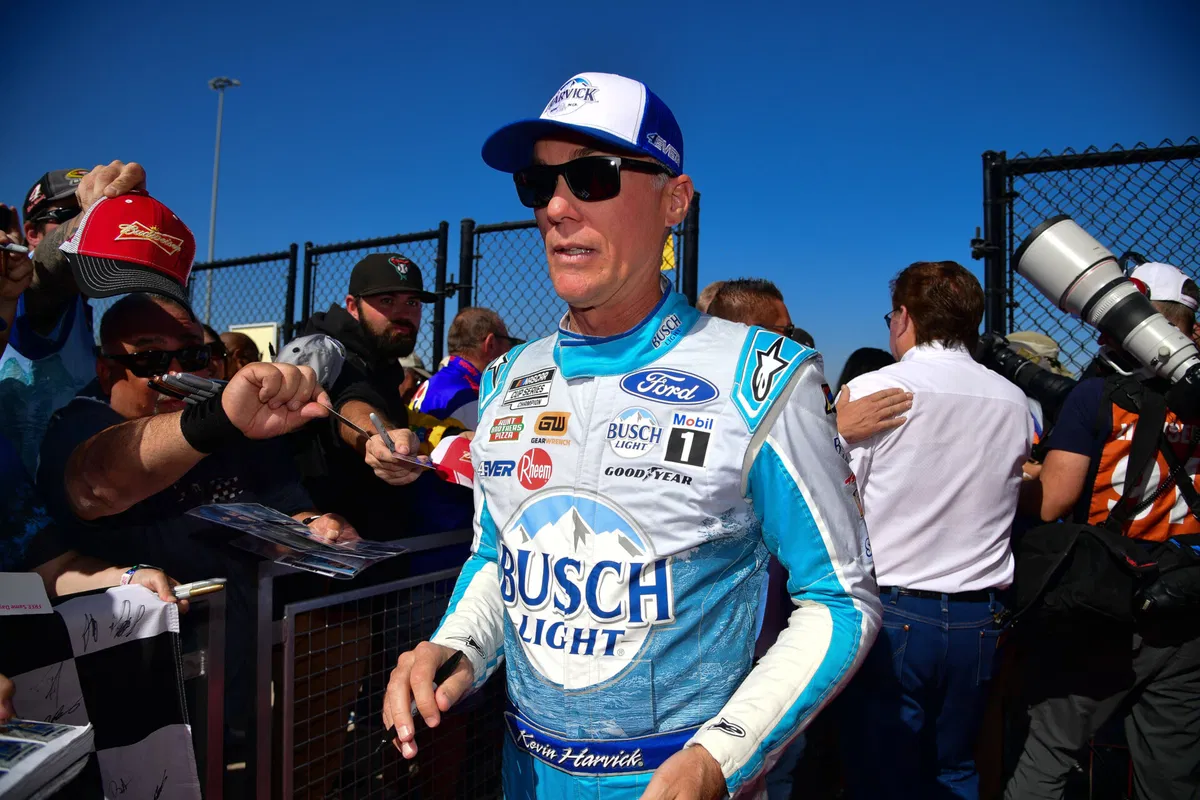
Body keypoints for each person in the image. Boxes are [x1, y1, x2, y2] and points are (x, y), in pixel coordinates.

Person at [382, 71, 880, 800]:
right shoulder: (508, 377)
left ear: (674, 200)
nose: (556, 207)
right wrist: (457, 647)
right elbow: (496, 556)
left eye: (592, 177)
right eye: (538, 184)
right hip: (522, 773)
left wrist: (720, 758)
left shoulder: (763, 377)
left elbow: (839, 599)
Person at [835, 261, 1032, 799]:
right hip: (980, 615)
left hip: (894, 608)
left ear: (904, 317)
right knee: (956, 766)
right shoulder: (1011, 399)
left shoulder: (875, 389)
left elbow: (837, 495)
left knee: (880, 771)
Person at [1008, 261, 1200, 800]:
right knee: (1171, 771)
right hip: (1186, 598)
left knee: (1048, 752)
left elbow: (1054, 501)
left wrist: (1007, 478)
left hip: (1107, 598)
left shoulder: (1099, 396)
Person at [290, 253, 467, 539]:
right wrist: (380, 439)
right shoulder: (330, 353)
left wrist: (452, 436)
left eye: (412, 302)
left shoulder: (380, 354)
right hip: (329, 541)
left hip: (371, 532)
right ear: (353, 306)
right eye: (386, 301)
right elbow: (348, 402)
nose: (403, 313)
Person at [0, 168, 96, 473]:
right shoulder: (23, 286)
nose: (92, 220)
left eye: (95, 211)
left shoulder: (79, 303)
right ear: (31, 234)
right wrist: (90, 220)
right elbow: (48, 265)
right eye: (68, 214)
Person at [411, 307, 516, 426]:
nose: (510, 350)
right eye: (510, 342)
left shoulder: (436, 381)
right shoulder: (469, 396)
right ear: (491, 344)